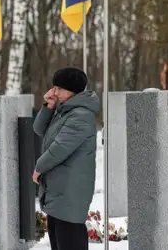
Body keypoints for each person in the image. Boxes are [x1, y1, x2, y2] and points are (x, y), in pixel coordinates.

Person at [32, 67, 99, 250]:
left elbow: (59, 148)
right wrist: (49, 106)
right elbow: (39, 129)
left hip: (70, 189)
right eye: (54, 87)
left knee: (69, 240)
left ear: (73, 91)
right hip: (59, 188)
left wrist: (39, 168)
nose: (55, 92)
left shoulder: (81, 115)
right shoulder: (65, 111)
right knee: (58, 241)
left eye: (59, 89)